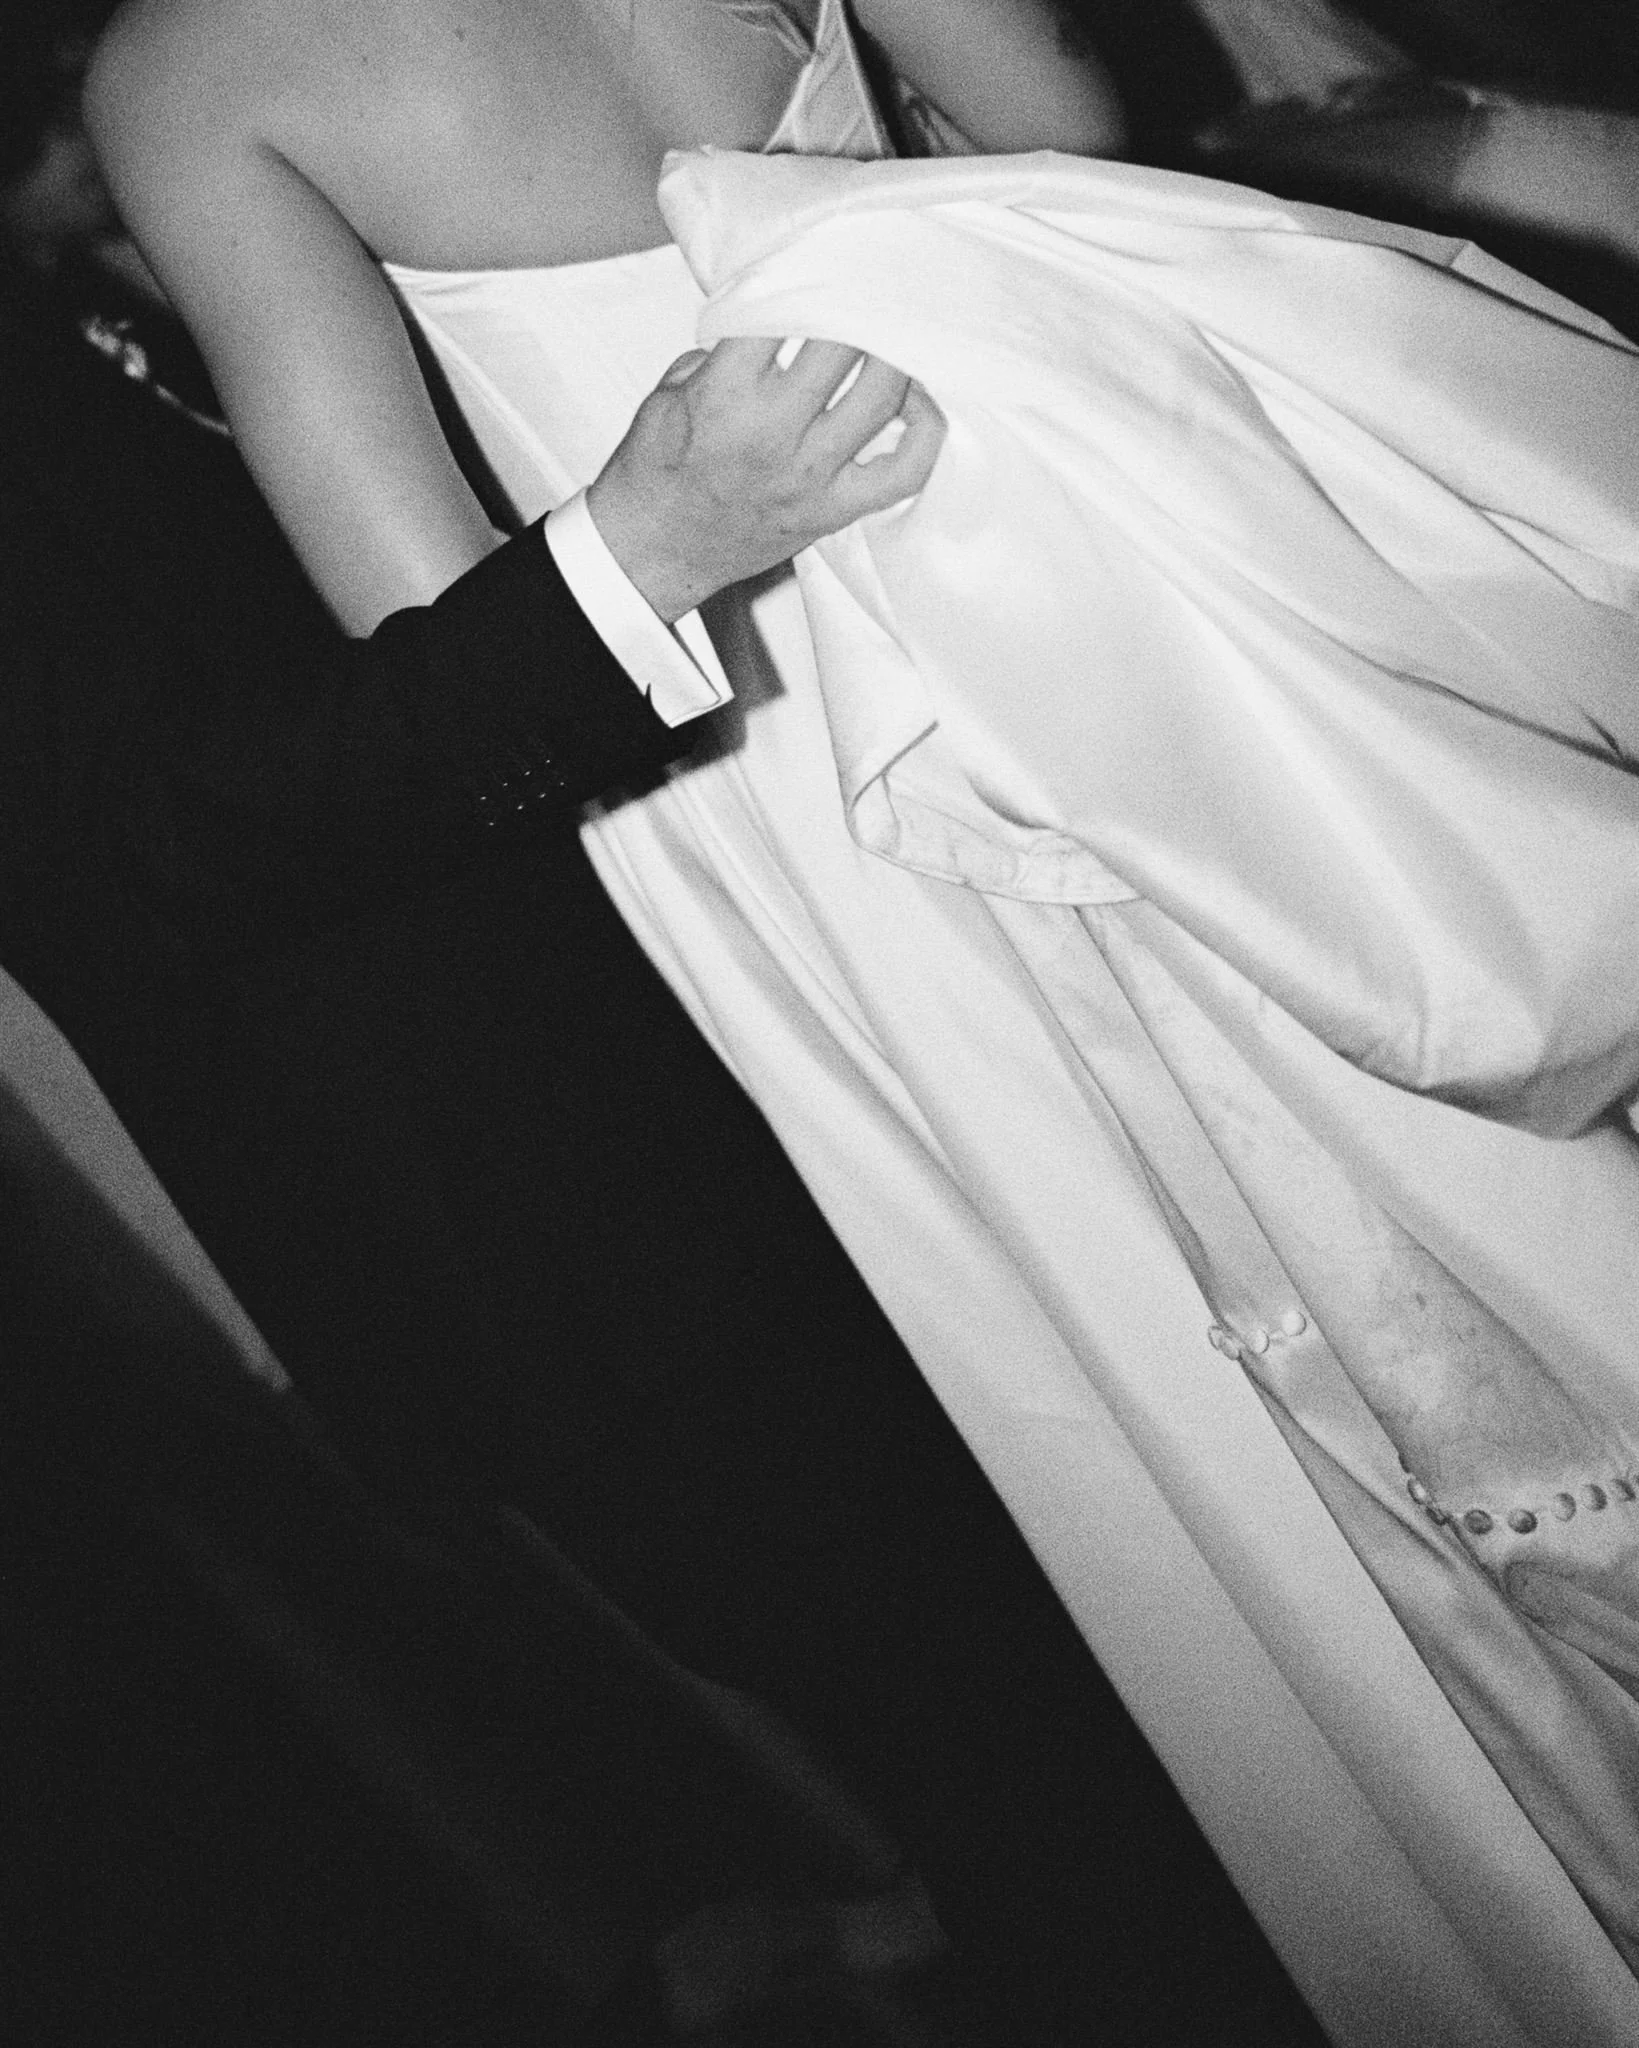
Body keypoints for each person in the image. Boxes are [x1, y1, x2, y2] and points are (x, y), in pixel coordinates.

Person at [86, 0, 1639, 2038]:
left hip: (786, 774)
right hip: (1101, 580)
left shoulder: (201, 74)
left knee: (1207, 1348)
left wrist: (675, 515)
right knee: (1442, 1166)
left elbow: (439, 640)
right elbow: (1058, 124)